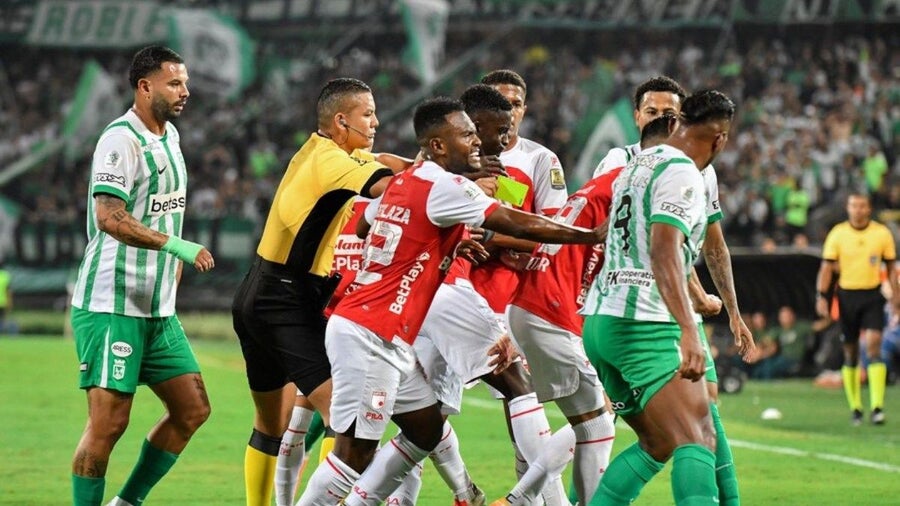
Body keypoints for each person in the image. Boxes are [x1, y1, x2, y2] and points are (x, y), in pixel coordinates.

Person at [297, 97, 604, 504]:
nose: (476, 142)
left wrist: (444, 244)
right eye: (466, 135)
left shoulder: (407, 180)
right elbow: (512, 220)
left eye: (475, 134)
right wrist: (587, 235)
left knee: (426, 430)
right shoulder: (444, 186)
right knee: (353, 453)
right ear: (438, 146)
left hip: (386, 332)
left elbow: (367, 225)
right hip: (371, 333)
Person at [491, 117, 679, 506]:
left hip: (536, 304)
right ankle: (520, 499)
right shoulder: (637, 188)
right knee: (599, 423)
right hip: (552, 309)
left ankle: (523, 499)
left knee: (593, 421)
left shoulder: (606, 183)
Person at [231, 77, 397, 506]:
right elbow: (389, 186)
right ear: (341, 121)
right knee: (347, 419)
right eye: (368, 114)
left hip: (257, 291)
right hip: (287, 298)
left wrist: (426, 164)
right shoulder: (332, 163)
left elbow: (381, 159)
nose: (376, 121)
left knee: (271, 425)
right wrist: (450, 180)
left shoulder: (321, 150)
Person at [69, 45, 214, 506]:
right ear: (145, 86)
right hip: (112, 303)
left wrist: (171, 271)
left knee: (192, 410)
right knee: (108, 424)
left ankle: (126, 502)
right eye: (174, 83)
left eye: (185, 82)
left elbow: (164, 211)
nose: (184, 91)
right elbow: (109, 216)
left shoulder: (170, 137)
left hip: (157, 308)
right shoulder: (120, 140)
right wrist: (175, 246)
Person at [581, 90, 736, 506]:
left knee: (658, 442)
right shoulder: (683, 171)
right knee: (697, 437)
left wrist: (696, 296)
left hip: (601, 320)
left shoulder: (637, 164)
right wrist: (689, 330)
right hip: (644, 324)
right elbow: (664, 251)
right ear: (719, 139)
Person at [816, 192, 899, 425]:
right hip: (846, 296)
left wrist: (896, 296)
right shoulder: (838, 233)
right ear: (848, 208)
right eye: (854, 205)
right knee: (850, 352)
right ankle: (856, 407)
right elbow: (826, 268)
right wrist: (822, 296)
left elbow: (890, 268)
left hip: (872, 295)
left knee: (873, 345)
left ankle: (877, 407)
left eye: (862, 206)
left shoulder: (881, 233)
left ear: (869, 209)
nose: (858, 210)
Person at [0, 259, 12, 334]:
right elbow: (9, 291)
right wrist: (10, 302)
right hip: (3, 302)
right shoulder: (6, 275)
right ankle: (2, 334)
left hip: (3, 302)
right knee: (3, 320)